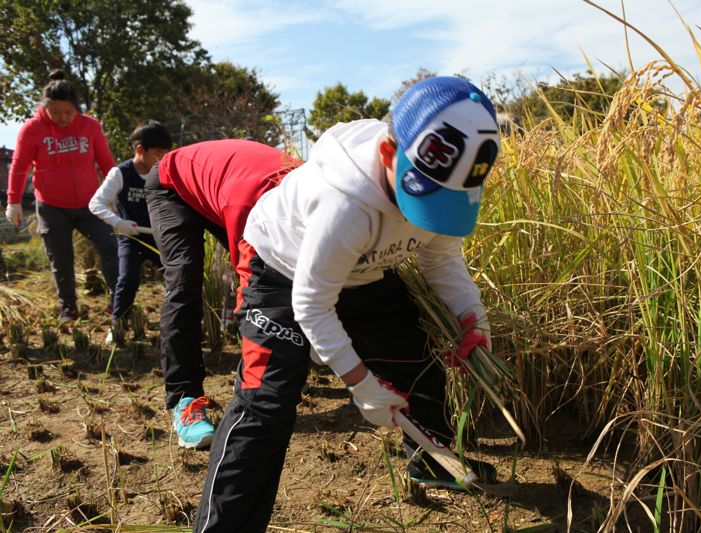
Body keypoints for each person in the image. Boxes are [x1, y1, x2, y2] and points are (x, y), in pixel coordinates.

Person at [194, 76, 500, 532]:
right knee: (268, 401)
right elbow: (313, 303)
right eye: (421, 194)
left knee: (413, 361)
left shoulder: (453, 173)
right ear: (389, 155)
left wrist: (472, 319)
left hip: (365, 269)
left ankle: (432, 463)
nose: (427, 212)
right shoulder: (344, 204)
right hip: (281, 269)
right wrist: (359, 383)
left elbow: (442, 258)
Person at [144, 139, 301, 449]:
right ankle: (185, 400)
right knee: (184, 282)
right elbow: (253, 291)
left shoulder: (317, 197)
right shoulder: (258, 212)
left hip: (220, 183)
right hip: (171, 185)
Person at [5, 69, 118, 322]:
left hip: (91, 204)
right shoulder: (32, 129)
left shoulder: (90, 126)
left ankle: (117, 302)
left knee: (111, 246)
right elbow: (19, 166)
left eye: (68, 113)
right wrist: (13, 201)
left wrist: (115, 195)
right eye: (55, 113)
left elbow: (107, 163)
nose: (63, 118)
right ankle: (68, 306)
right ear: (45, 108)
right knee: (61, 258)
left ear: (77, 109)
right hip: (52, 206)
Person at [88, 120, 173, 343]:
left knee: (177, 277)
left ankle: (180, 325)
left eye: (166, 154)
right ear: (140, 150)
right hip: (130, 236)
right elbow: (96, 203)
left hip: (158, 237)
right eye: (158, 153)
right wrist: (118, 222)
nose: (162, 159)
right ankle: (118, 325)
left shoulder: (165, 173)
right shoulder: (121, 173)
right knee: (127, 280)